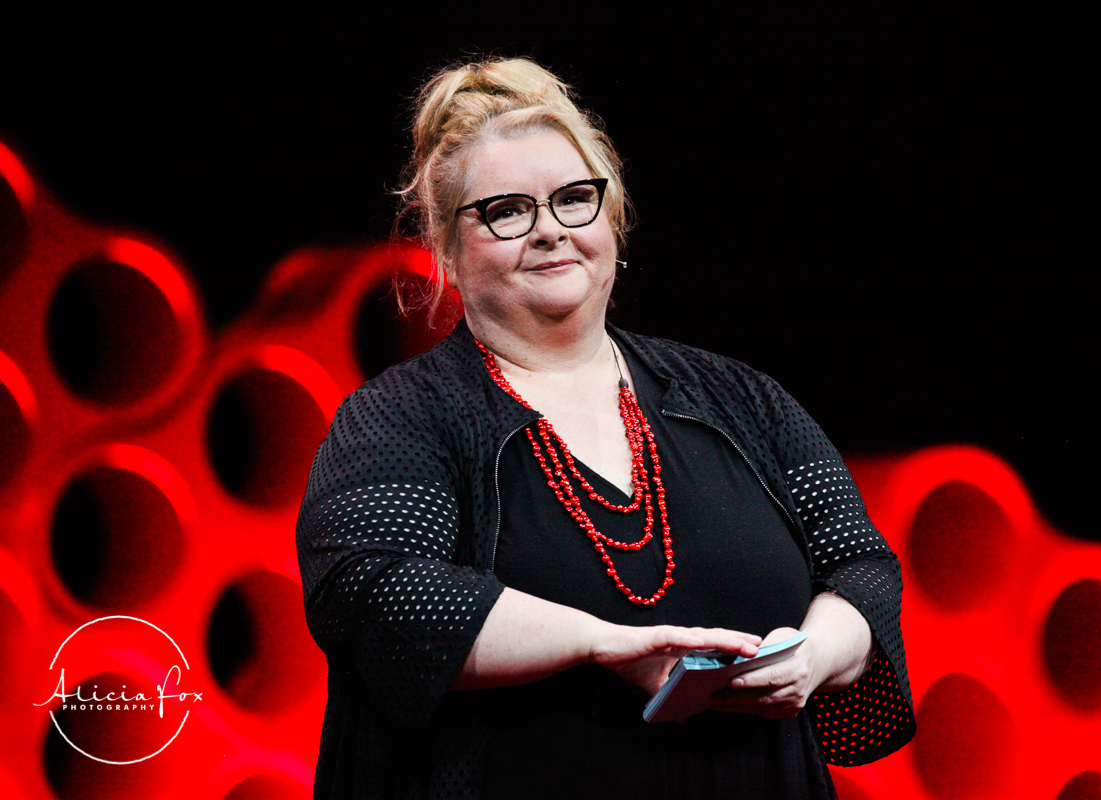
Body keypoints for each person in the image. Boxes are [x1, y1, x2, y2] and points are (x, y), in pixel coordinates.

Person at [297, 57, 915, 799]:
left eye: (573, 200)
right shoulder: (401, 417)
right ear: (448, 252)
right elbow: (374, 595)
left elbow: (862, 569)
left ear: (611, 218)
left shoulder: (739, 397)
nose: (550, 231)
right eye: (507, 211)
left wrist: (813, 656)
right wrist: (601, 645)